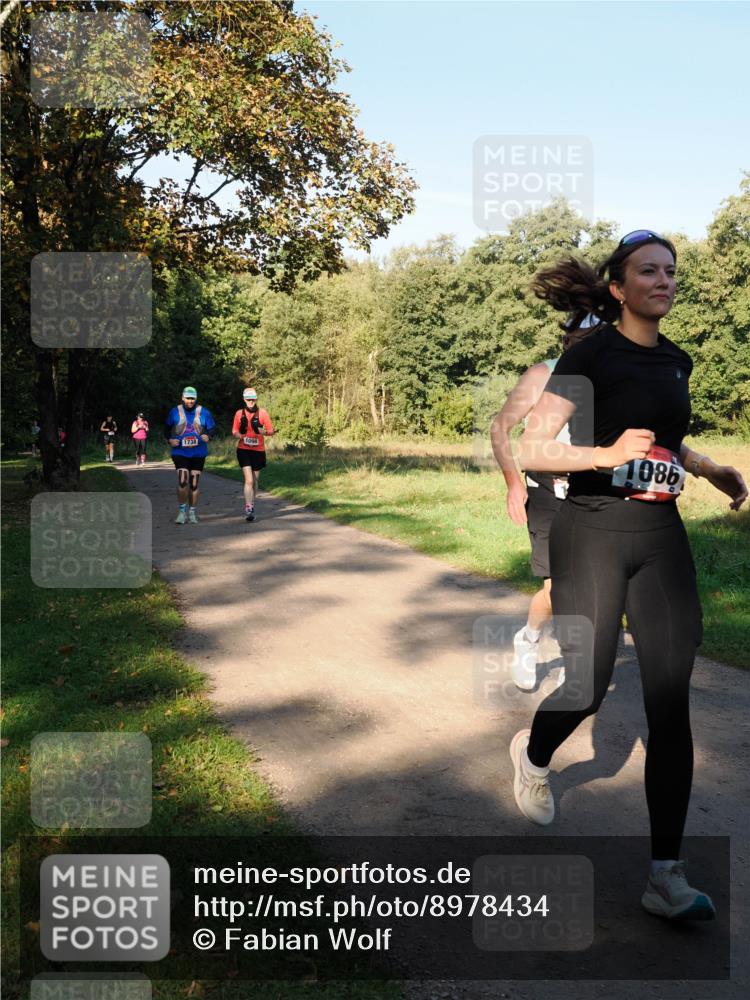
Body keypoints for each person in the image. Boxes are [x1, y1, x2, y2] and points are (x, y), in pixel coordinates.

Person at [510, 230, 747, 921]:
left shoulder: (677, 360)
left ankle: (664, 876)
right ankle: (533, 755)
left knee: (670, 700)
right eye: (649, 270)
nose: (665, 280)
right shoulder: (590, 354)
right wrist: (603, 453)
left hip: (659, 535)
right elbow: (535, 445)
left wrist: (706, 469)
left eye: (671, 271)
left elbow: (665, 439)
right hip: (591, 531)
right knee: (586, 683)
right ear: (618, 288)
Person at [491, 313, 603, 690]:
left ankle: (573, 664)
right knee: (559, 587)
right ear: (567, 339)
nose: (589, 345)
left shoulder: (612, 375)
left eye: (598, 337)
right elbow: (500, 428)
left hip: (594, 489)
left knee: (592, 583)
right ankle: (530, 638)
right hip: (547, 489)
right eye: (581, 338)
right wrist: (512, 483)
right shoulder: (543, 375)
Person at [164, 387, 216, 524]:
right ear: (182, 397)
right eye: (187, 398)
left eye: (192, 398)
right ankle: (182, 512)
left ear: (196, 398)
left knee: (194, 484)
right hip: (180, 452)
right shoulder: (175, 412)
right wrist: (170, 440)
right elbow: (166, 429)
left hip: (198, 453)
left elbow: (212, 429)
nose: (190, 401)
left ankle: (192, 512)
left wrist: (208, 436)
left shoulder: (204, 412)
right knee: (182, 480)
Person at [231, 387, 275, 521]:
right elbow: (234, 431)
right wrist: (240, 436)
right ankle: (248, 506)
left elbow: (271, 431)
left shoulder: (263, 413)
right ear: (244, 399)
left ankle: (252, 504)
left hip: (258, 451)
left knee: (255, 482)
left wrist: (265, 433)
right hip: (243, 449)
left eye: (253, 399)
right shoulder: (239, 413)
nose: (250, 401)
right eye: (248, 399)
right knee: (249, 480)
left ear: (256, 399)